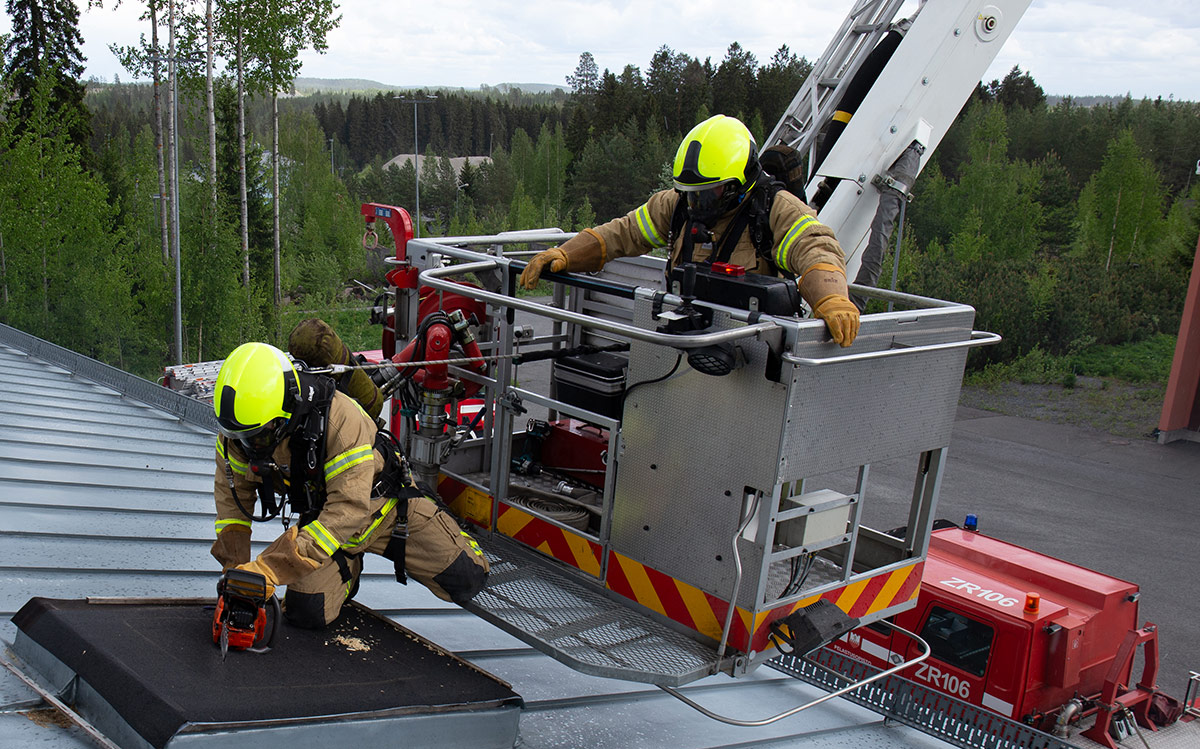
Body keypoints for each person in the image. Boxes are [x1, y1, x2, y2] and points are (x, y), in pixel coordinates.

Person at [210, 341, 489, 629]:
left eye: (259, 436)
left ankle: (442, 524)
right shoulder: (238, 433)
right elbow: (232, 509)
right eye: (242, 437)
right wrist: (236, 574)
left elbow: (348, 508)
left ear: (287, 410)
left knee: (468, 578)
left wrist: (267, 569)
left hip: (388, 510)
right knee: (306, 612)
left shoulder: (340, 421)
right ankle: (348, 567)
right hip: (327, 526)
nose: (250, 445)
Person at [519, 114, 860, 346]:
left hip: (750, 354)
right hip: (684, 338)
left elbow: (817, 246)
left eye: (709, 193)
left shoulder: (774, 208)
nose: (697, 205)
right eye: (690, 194)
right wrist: (566, 253)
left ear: (740, 182)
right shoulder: (679, 204)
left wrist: (831, 297)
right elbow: (622, 233)